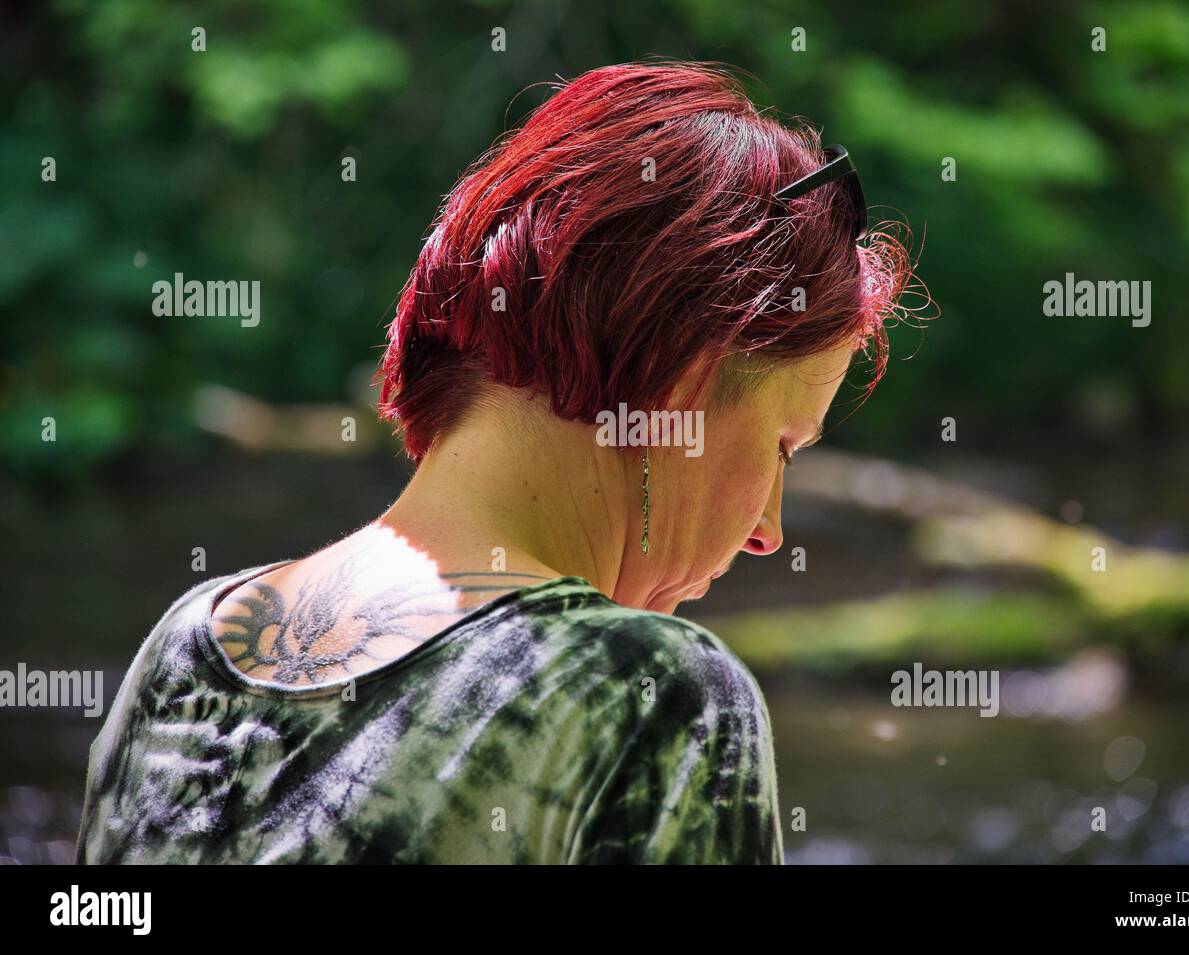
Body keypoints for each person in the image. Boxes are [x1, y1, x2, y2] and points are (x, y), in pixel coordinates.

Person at [75, 60, 912, 864]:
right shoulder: (658, 696)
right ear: (681, 388)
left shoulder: (185, 646)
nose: (768, 529)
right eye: (781, 449)